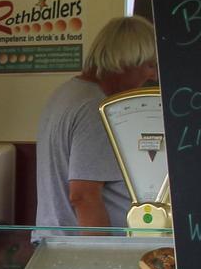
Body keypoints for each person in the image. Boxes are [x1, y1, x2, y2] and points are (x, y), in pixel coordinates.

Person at [34, 15, 160, 229]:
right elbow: (83, 196)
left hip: (59, 243)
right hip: (81, 249)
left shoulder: (66, 93)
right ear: (125, 61)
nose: (154, 76)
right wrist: (100, 257)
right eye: (149, 65)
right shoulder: (96, 109)